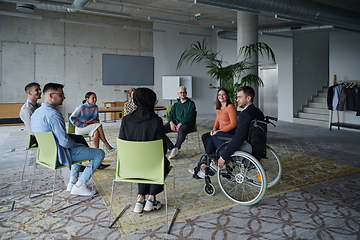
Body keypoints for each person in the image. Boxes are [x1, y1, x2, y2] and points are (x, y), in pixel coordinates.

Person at [31, 83, 105, 196]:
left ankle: (72, 182)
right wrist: (76, 145)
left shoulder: (36, 113)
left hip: (47, 155)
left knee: (80, 146)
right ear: (51, 95)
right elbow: (64, 142)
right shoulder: (54, 115)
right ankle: (80, 185)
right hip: (60, 155)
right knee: (99, 153)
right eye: (61, 95)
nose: (64, 97)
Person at [191, 86, 264, 178]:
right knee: (211, 136)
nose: (237, 100)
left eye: (240, 97)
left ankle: (209, 164)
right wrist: (215, 129)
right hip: (256, 145)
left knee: (212, 138)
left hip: (244, 146)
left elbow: (238, 138)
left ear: (248, 98)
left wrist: (223, 157)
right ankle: (209, 163)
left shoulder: (245, 114)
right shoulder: (258, 112)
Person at [119, 88, 170, 213]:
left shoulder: (126, 120)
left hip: (129, 167)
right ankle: (151, 198)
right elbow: (161, 150)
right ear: (149, 101)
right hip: (152, 165)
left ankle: (140, 198)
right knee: (161, 163)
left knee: (141, 163)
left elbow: (122, 144)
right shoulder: (156, 121)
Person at [69, 92, 115, 170]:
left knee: (96, 131)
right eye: (93, 98)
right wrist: (83, 124)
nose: (95, 99)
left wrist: (92, 122)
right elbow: (71, 118)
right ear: (87, 99)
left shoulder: (95, 107)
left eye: (95, 98)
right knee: (99, 126)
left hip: (90, 127)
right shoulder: (81, 108)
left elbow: (95, 120)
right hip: (80, 129)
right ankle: (106, 144)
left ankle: (96, 158)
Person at [164, 86, 196, 159]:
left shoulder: (191, 104)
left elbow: (190, 116)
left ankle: (177, 147)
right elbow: (170, 115)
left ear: (186, 93)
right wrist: (171, 123)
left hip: (187, 125)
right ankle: (172, 148)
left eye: (184, 92)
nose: (182, 94)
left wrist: (180, 123)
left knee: (182, 130)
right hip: (175, 124)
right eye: (181, 92)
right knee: (159, 130)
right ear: (178, 94)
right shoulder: (175, 105)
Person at [201, 88, 237, 152]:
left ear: (227, 96)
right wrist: (214, 129)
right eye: (219, 95)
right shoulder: (219, 108)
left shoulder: (230, 107)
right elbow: (217, 120)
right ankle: (211, 156)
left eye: (223, 94)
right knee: (204, 137)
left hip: (229, 131)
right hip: (221, 131)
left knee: (211, 138)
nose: (221, 96)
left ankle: (210, 157)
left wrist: (219, 131)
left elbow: (233, 124)